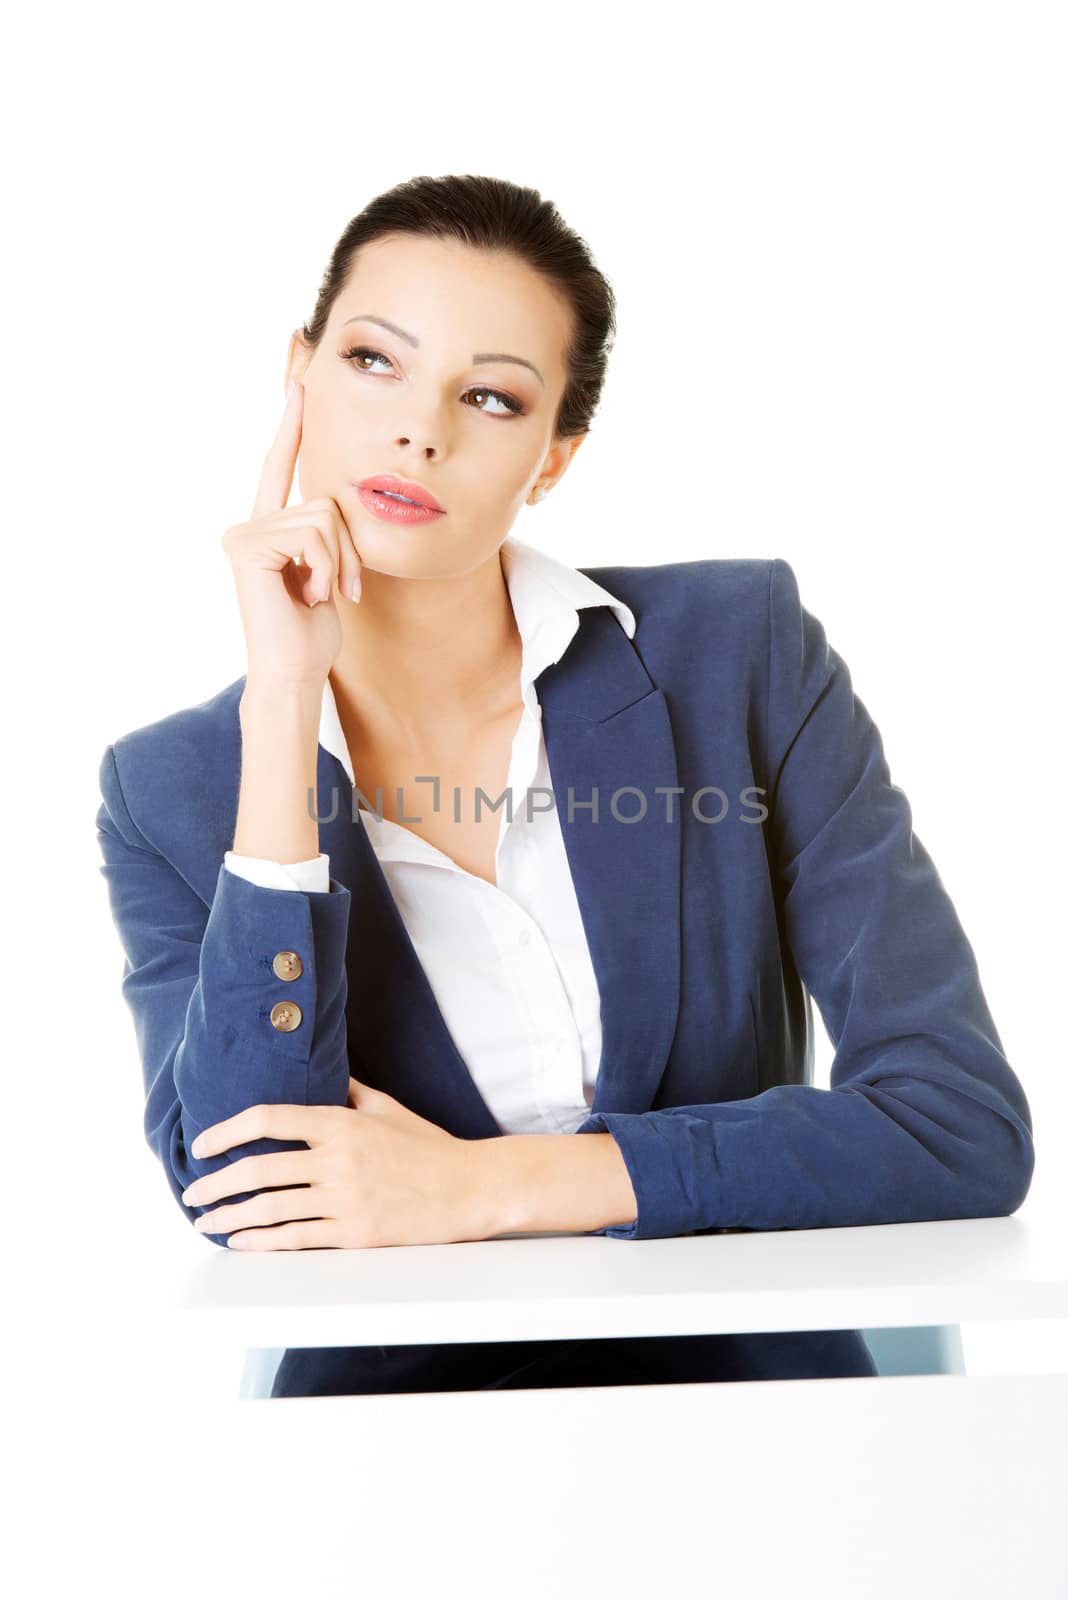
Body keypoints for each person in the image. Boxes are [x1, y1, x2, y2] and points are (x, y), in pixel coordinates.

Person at [95, 173, 1034, 1398]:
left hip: (772, 1422)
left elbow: (957, 1121)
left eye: (489, 396)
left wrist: (483, 1188)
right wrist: (283, 706)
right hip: (392, 1459)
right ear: (300, 374)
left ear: (553, 458)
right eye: (376, 361)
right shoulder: (167, 787)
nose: (419, 430)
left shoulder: (735, 652)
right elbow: (246, 1187)